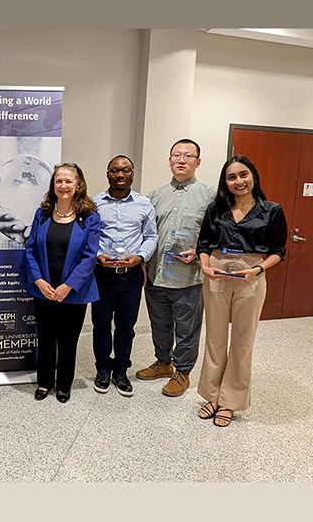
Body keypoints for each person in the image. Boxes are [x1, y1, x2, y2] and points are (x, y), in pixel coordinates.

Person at [196, 155, 287, 427]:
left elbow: (278, 252)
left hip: (251, 275)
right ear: (225, 182)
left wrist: (258, 270)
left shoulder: (272, 210)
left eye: (243, 174)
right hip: (217, 272)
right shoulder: (215, 209)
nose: (239, 181)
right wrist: (205, 266)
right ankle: (212, 395)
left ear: (254, 177)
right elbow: (203, 243)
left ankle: (231, 400)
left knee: (242, 340)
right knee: (214, 337)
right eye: (231, 177)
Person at [136, 139, 216, 396]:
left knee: (186, 328)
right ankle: (163, 363)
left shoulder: (211, 196)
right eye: (176, 155)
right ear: (169, 160)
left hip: (188, 277)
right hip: (156, 275)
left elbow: (221, 235)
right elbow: (143, 233)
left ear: (198, 162)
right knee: (159, 324)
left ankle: (183, 373)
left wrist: (200, 252)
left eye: (188, 156)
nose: (182, 160)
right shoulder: (154, 196)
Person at [24, 163, 100, 403]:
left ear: (78, 185)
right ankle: (45, 382)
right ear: (53, 185)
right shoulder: (42, 214)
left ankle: (64, 384)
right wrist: (39, 281)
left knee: (68, 341)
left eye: (69, 181)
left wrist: (68, 286)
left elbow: (90, 257)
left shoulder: (90, 218)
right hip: (44, 290)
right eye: (59, 181)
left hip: (74, 292)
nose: (63, 186)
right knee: (45, 338)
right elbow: (30, 251)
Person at [92, 155, 158, 397]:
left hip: (130, 276)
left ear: (132, 173)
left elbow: (151, 237)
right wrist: (98, 255)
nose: (120, 175)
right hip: (102, 274)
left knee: (125, 326)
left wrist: (140, 257)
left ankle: (121, 370)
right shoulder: (94, 203)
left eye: (126, 170)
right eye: (114, 170)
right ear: (107, 174)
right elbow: (88, 237)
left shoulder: (144, 204)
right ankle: (102, 369)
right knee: (100, 325)